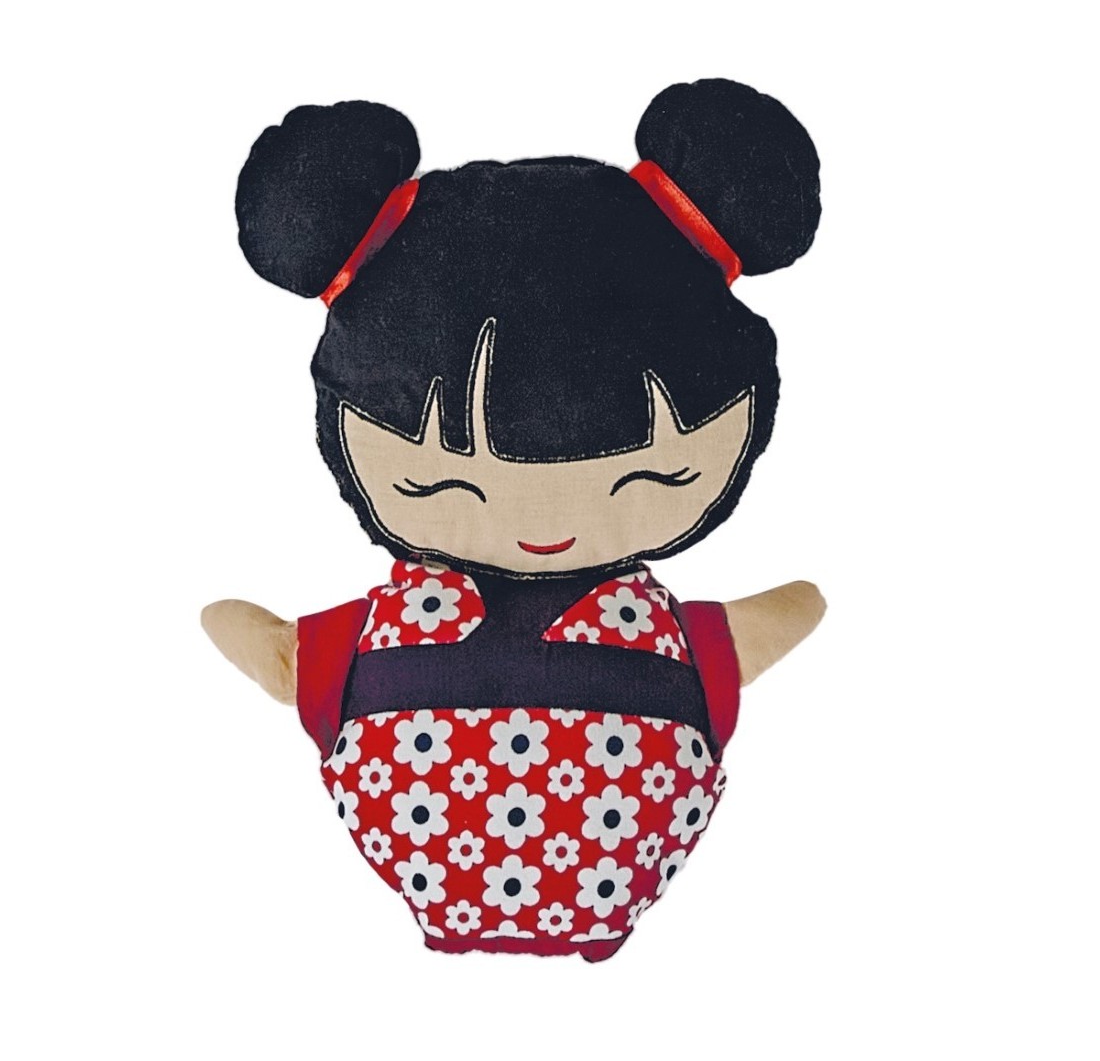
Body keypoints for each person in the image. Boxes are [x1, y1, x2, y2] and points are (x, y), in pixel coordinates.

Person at [204, 79, 825, 960]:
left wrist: (266, 642)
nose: (545, 524)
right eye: (444, 483)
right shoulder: (652, 631)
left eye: (649, 475)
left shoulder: (399, 624)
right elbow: (757, 632)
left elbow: (288, 659)